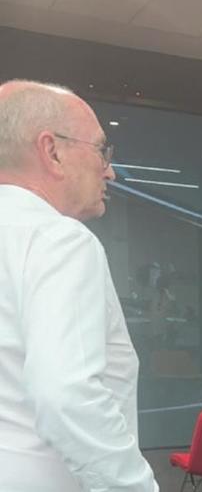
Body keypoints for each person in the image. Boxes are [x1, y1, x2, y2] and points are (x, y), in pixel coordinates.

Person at [0, 80, 158, 491]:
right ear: (52, 151)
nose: (110, 170)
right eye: (102, 150)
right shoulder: (58, 240)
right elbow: (67, 395)